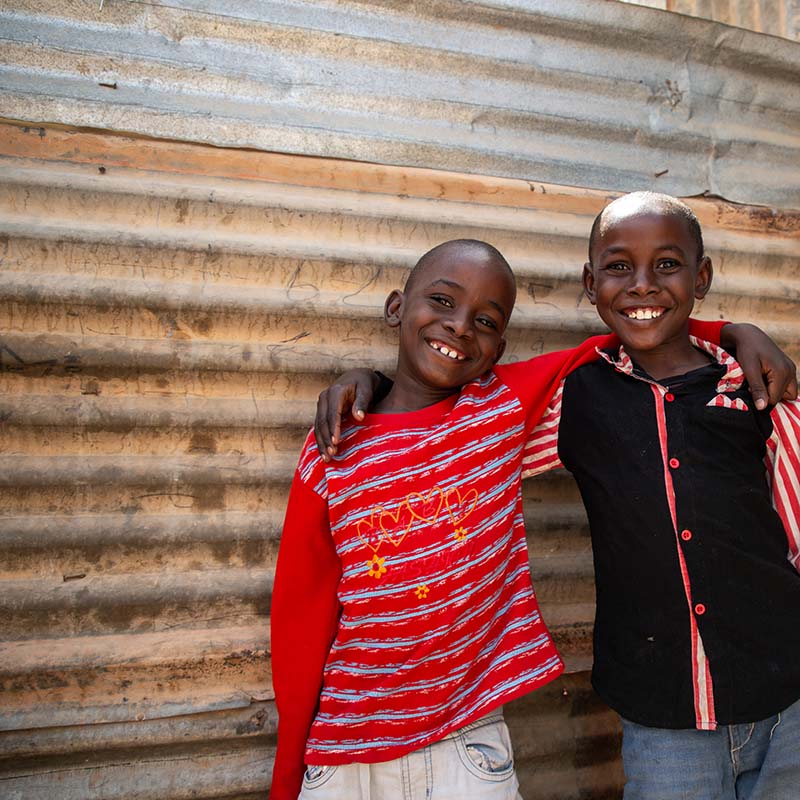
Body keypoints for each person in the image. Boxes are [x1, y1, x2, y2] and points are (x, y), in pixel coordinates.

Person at [310, 197, 799, 800]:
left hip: (790, 699)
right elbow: (439, 410)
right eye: (619, 268)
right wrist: (373, 383)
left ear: (702, 278)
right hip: (664, 711)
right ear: (591, 284)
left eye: (667, 265)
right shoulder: (576, 395)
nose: (642, 284)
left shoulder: (753, 386)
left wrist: (733, 332)